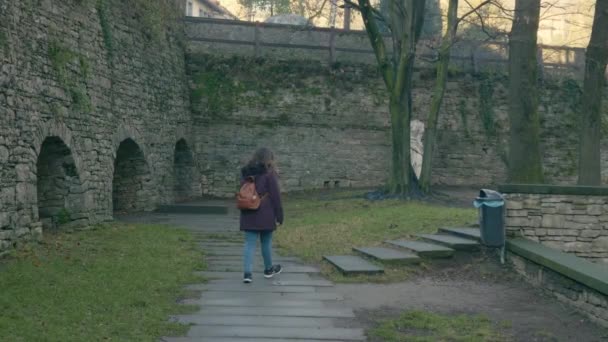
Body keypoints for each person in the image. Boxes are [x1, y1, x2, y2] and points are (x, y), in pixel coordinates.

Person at [239, 147, 284, 283]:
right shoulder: (270, 174)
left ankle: (247, 274)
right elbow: (276, 197)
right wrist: (279, 215)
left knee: (249, 243)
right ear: (269, 158)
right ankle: (268, 269)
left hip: (248, 211)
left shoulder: (245, 172)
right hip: (266, 213)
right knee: (266, 242)